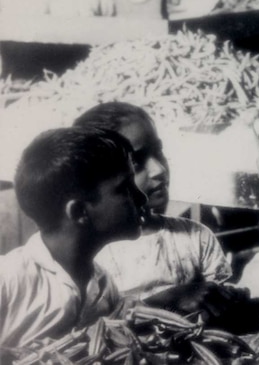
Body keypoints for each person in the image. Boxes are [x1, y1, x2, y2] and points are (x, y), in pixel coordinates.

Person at [74, 102, 234, 316]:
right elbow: (87, 330)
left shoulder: (196, 238)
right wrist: (165, 301)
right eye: (137, 162)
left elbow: (224, 312)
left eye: (158, 152)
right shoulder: (88, 255)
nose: (158, 169)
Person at [0, 127, 147, 349]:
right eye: (124, 188)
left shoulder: (105, 286)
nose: (142, 197)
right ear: (79, 212)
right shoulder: (9, 279)